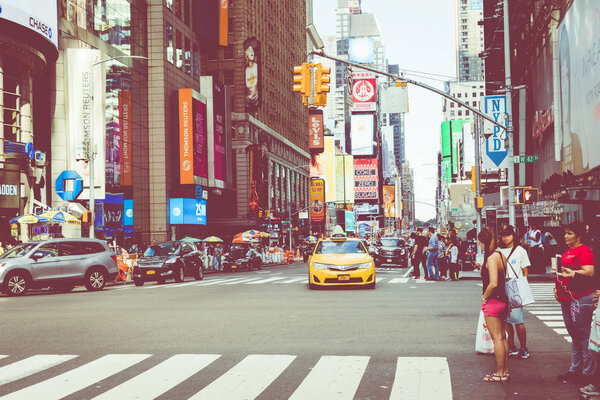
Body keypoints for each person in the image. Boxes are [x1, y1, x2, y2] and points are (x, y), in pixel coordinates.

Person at [555, 221, 596, 384]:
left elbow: (590, 271)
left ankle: (587, 372)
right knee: (575, 335)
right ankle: (575, 369)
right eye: (565, 233)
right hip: (567, 297)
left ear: (578, 236)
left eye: (570, 233)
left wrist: (572, 273)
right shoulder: (568, 251)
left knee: (582, 334)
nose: (566, 236)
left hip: (580, 297)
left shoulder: (584, 250)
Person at [478, 228, 510, 382]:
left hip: (493, 301)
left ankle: (499, 373)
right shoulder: (501, 255)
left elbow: (493, 283)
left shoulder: (491, 258)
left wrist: (484, 298)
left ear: (483, 242)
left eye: (480, 244)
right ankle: (505, 371)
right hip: (503, 300)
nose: (481, 247)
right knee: (503, 338)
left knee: (496, 339)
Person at [498, 225, 531, 359]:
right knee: (505, 320)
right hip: (501, 286)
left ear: (513, 236)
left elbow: (525, 270)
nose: (505, 238)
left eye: (508, 235)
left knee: (518, 320)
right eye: (503, 235)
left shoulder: (520, 251)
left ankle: (523, 347)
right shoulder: (499, 251)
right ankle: (512, 346)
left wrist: (523, 286)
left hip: (515, 287)